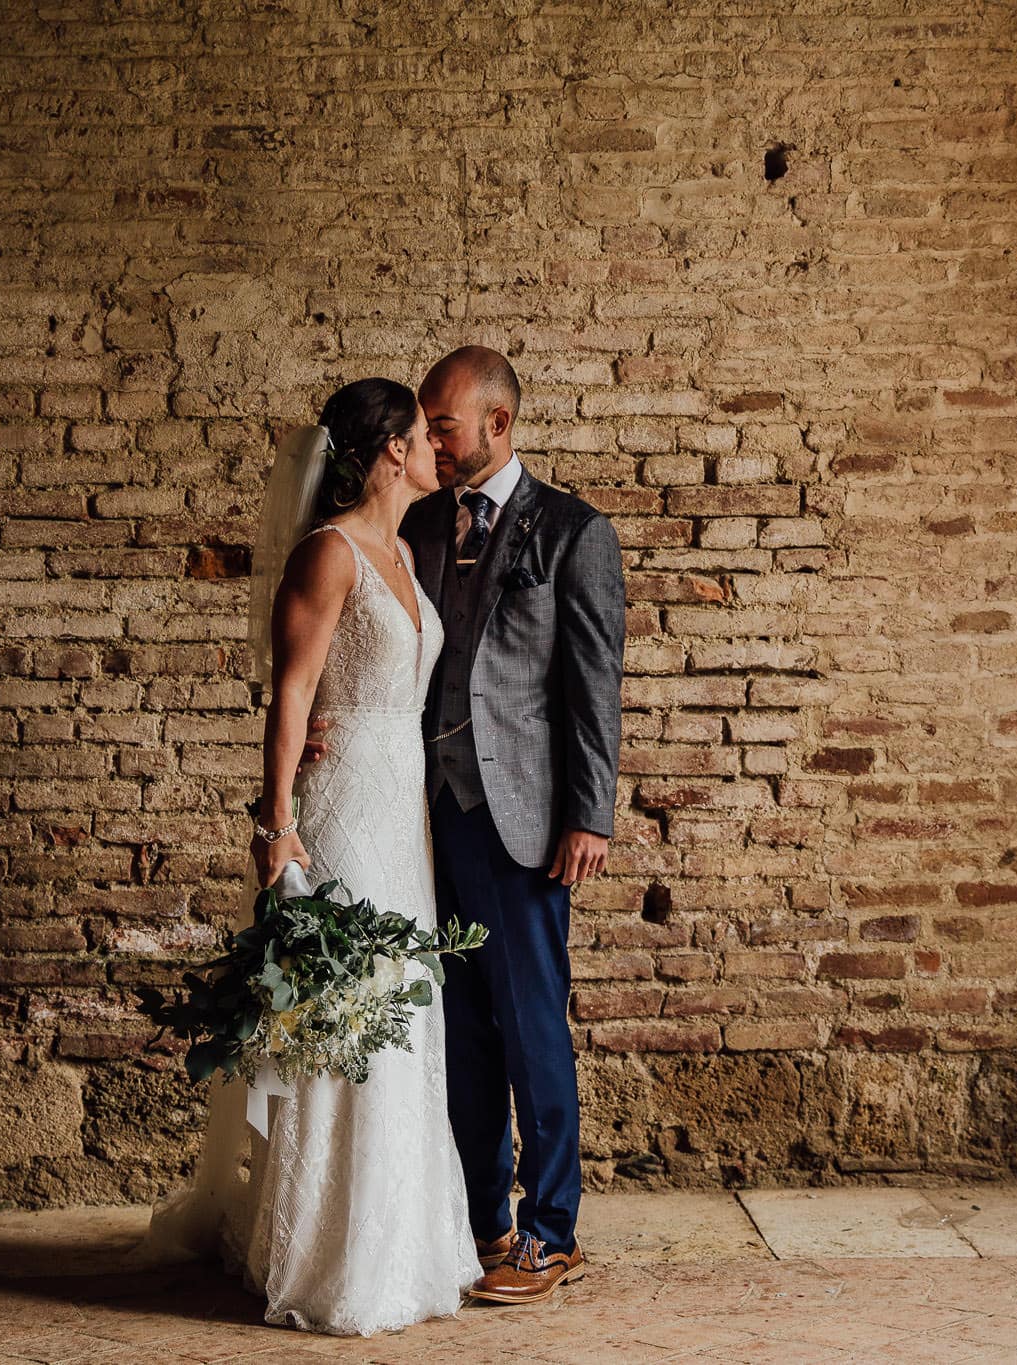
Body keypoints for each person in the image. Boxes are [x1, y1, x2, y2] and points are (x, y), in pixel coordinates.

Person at [139, 378, 480, 1336]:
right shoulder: (327, 556)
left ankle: (402, 1240)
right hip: (338, 814)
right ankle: (330, 1255)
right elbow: (290, 694)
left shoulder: (407, 552)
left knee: (402, 1006)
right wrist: (275, 826)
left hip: (398, 805)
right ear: (385, 453)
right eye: (421, 436)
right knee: (347, 1013)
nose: (435, 450)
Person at [309, 346, 626, 1305]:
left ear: (498, 423)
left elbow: (592, 686)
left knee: (533, 1027)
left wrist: (589, 813)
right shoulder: (417, 526)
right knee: (460, 1031)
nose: (430, 440)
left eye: (441, 424)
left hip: (526, 821)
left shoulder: (573, 531)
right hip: (424, 819)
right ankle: (483, 1217)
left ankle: (551, 1230)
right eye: (425, 427)